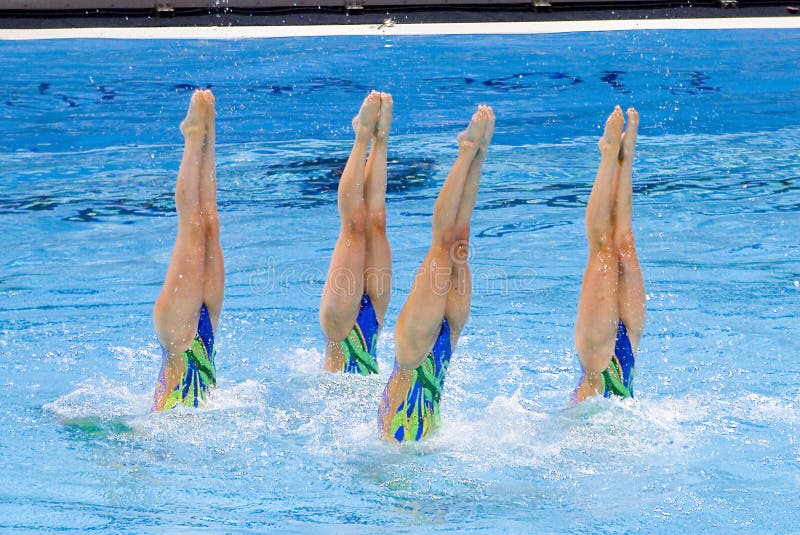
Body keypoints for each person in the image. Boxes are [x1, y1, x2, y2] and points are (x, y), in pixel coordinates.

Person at [378, 105, 495, 442]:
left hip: (412, 355)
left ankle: (466, 150)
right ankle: (478, 152)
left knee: (443, 246)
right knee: (458, 242)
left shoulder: (389, 450)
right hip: (443, 350)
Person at [152, 89, 224, 411]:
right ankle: (206, 132)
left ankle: (194, 136)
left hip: (177, 337)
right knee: (208, 224)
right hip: (205, 334)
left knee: (193, 229)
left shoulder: (159, 422)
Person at [573, 106, 646, 402]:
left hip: (597, 360)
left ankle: (618, 156)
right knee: (614, 246)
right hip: (614, 365)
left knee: (613, 246)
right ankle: (613, 154)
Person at [319, 90, 393, 375]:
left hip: (339, 328)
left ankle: (368, 136)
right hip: (370, 321)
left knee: (360, 226)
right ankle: (373, 137)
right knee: (371, 223)